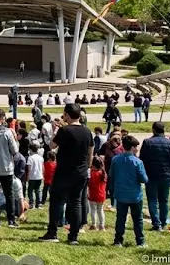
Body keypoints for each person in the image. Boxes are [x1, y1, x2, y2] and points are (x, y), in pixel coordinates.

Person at [38, 103, 92, 244]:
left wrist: (56, 130)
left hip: (64, 171)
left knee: (56, 201)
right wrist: (87, 167)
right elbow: (90, 152)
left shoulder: (65, 130)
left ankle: (52, 233)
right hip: (81, 171)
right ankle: (73, 236)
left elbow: (52, 145)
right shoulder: (87, 131)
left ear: (67, 115)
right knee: (76, 203)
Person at [138, 121, 170, 231]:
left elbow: (142, 160)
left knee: (152, 200)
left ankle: (156, 223)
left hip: (151, 175)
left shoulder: (147, 142)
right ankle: (163, 223)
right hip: (167, 176)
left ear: (153, 129)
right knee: (164, 200)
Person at [109, 135, 147, 248]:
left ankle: (118, 240)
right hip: (135, 195)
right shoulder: (138, 162)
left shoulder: (115, 159)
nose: (137, 149)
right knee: (137, 219)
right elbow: (143, 179)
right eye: (136, 147)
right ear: (132, 147)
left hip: (120, 193)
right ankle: (140, 241)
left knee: (121, 218)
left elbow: (111, 174)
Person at [86, 157, 107, 231]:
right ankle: (102, 226)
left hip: (93, 194)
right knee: (100, 210)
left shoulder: (92, 173)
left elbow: (89, 184)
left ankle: (94, 224)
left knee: (93, 210)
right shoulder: (103, 173)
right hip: (101, 194)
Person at [25, 143, 44, 209]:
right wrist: (43, 174)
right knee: (38, 190)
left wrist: (27, 176)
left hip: (32, 176)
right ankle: (38, 204)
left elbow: (29, 168)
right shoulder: (40, 157)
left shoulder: (30, 158)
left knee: (30, 190)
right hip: (39, 176)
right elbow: (42, 167)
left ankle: (31, 203)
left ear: (31, 150)